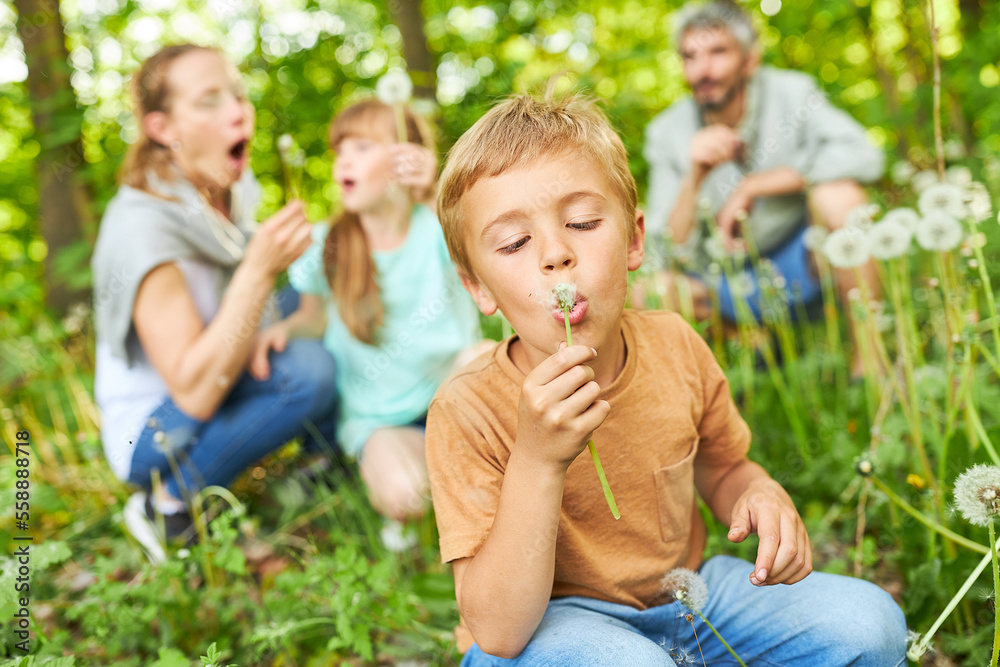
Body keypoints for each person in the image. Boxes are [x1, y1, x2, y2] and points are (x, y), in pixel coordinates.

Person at [425, 91, 906, 664]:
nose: (555, 254)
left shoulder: (675, 342)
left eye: (582, 222)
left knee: (869, 624)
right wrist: (537, 458)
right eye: (513, 243)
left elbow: (723, 467)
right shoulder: (467, 409)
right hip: (553, 632)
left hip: (691, 595)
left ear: (633, 239)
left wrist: (759, 494)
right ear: (478, 286)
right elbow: (498, 630)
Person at [92, 44, 339, 562]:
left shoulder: (229, 190)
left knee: (317, 301)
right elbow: (194, 391)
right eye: (209, 101)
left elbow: (262, 303)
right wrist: (258, 272)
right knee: (308, 371)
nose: (237, 111)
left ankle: (322, 468)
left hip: (218, 371)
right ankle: (168, 503)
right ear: (163, 129)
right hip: (157, 429)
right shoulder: (142, 227)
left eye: (238, 95)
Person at [252, 99, 486, 538]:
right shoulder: (327, 243)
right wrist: (284, 329)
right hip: (381, 420)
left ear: (405, 157)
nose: (345, 160)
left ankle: (481, 471)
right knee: (405, 496)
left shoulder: (438, 226)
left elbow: (483, 244)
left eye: (362, 147)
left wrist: (436, 185)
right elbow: (313, 320)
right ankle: (442, 477)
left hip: (452, 397)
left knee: (485, 356)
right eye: (340, 150)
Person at [642, 1, 884, 371]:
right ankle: (754, 342)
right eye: (690, 56)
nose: (702, 70)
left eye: (718, 52)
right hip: (724, 282)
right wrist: (694, 177)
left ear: (750, 59)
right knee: (651, 292)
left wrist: (759, 184)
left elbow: (866, 155)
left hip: (803, 260)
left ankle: (869, 363)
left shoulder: (794, 93)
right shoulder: (666, 132)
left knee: (840, 196)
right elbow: (662, 251)